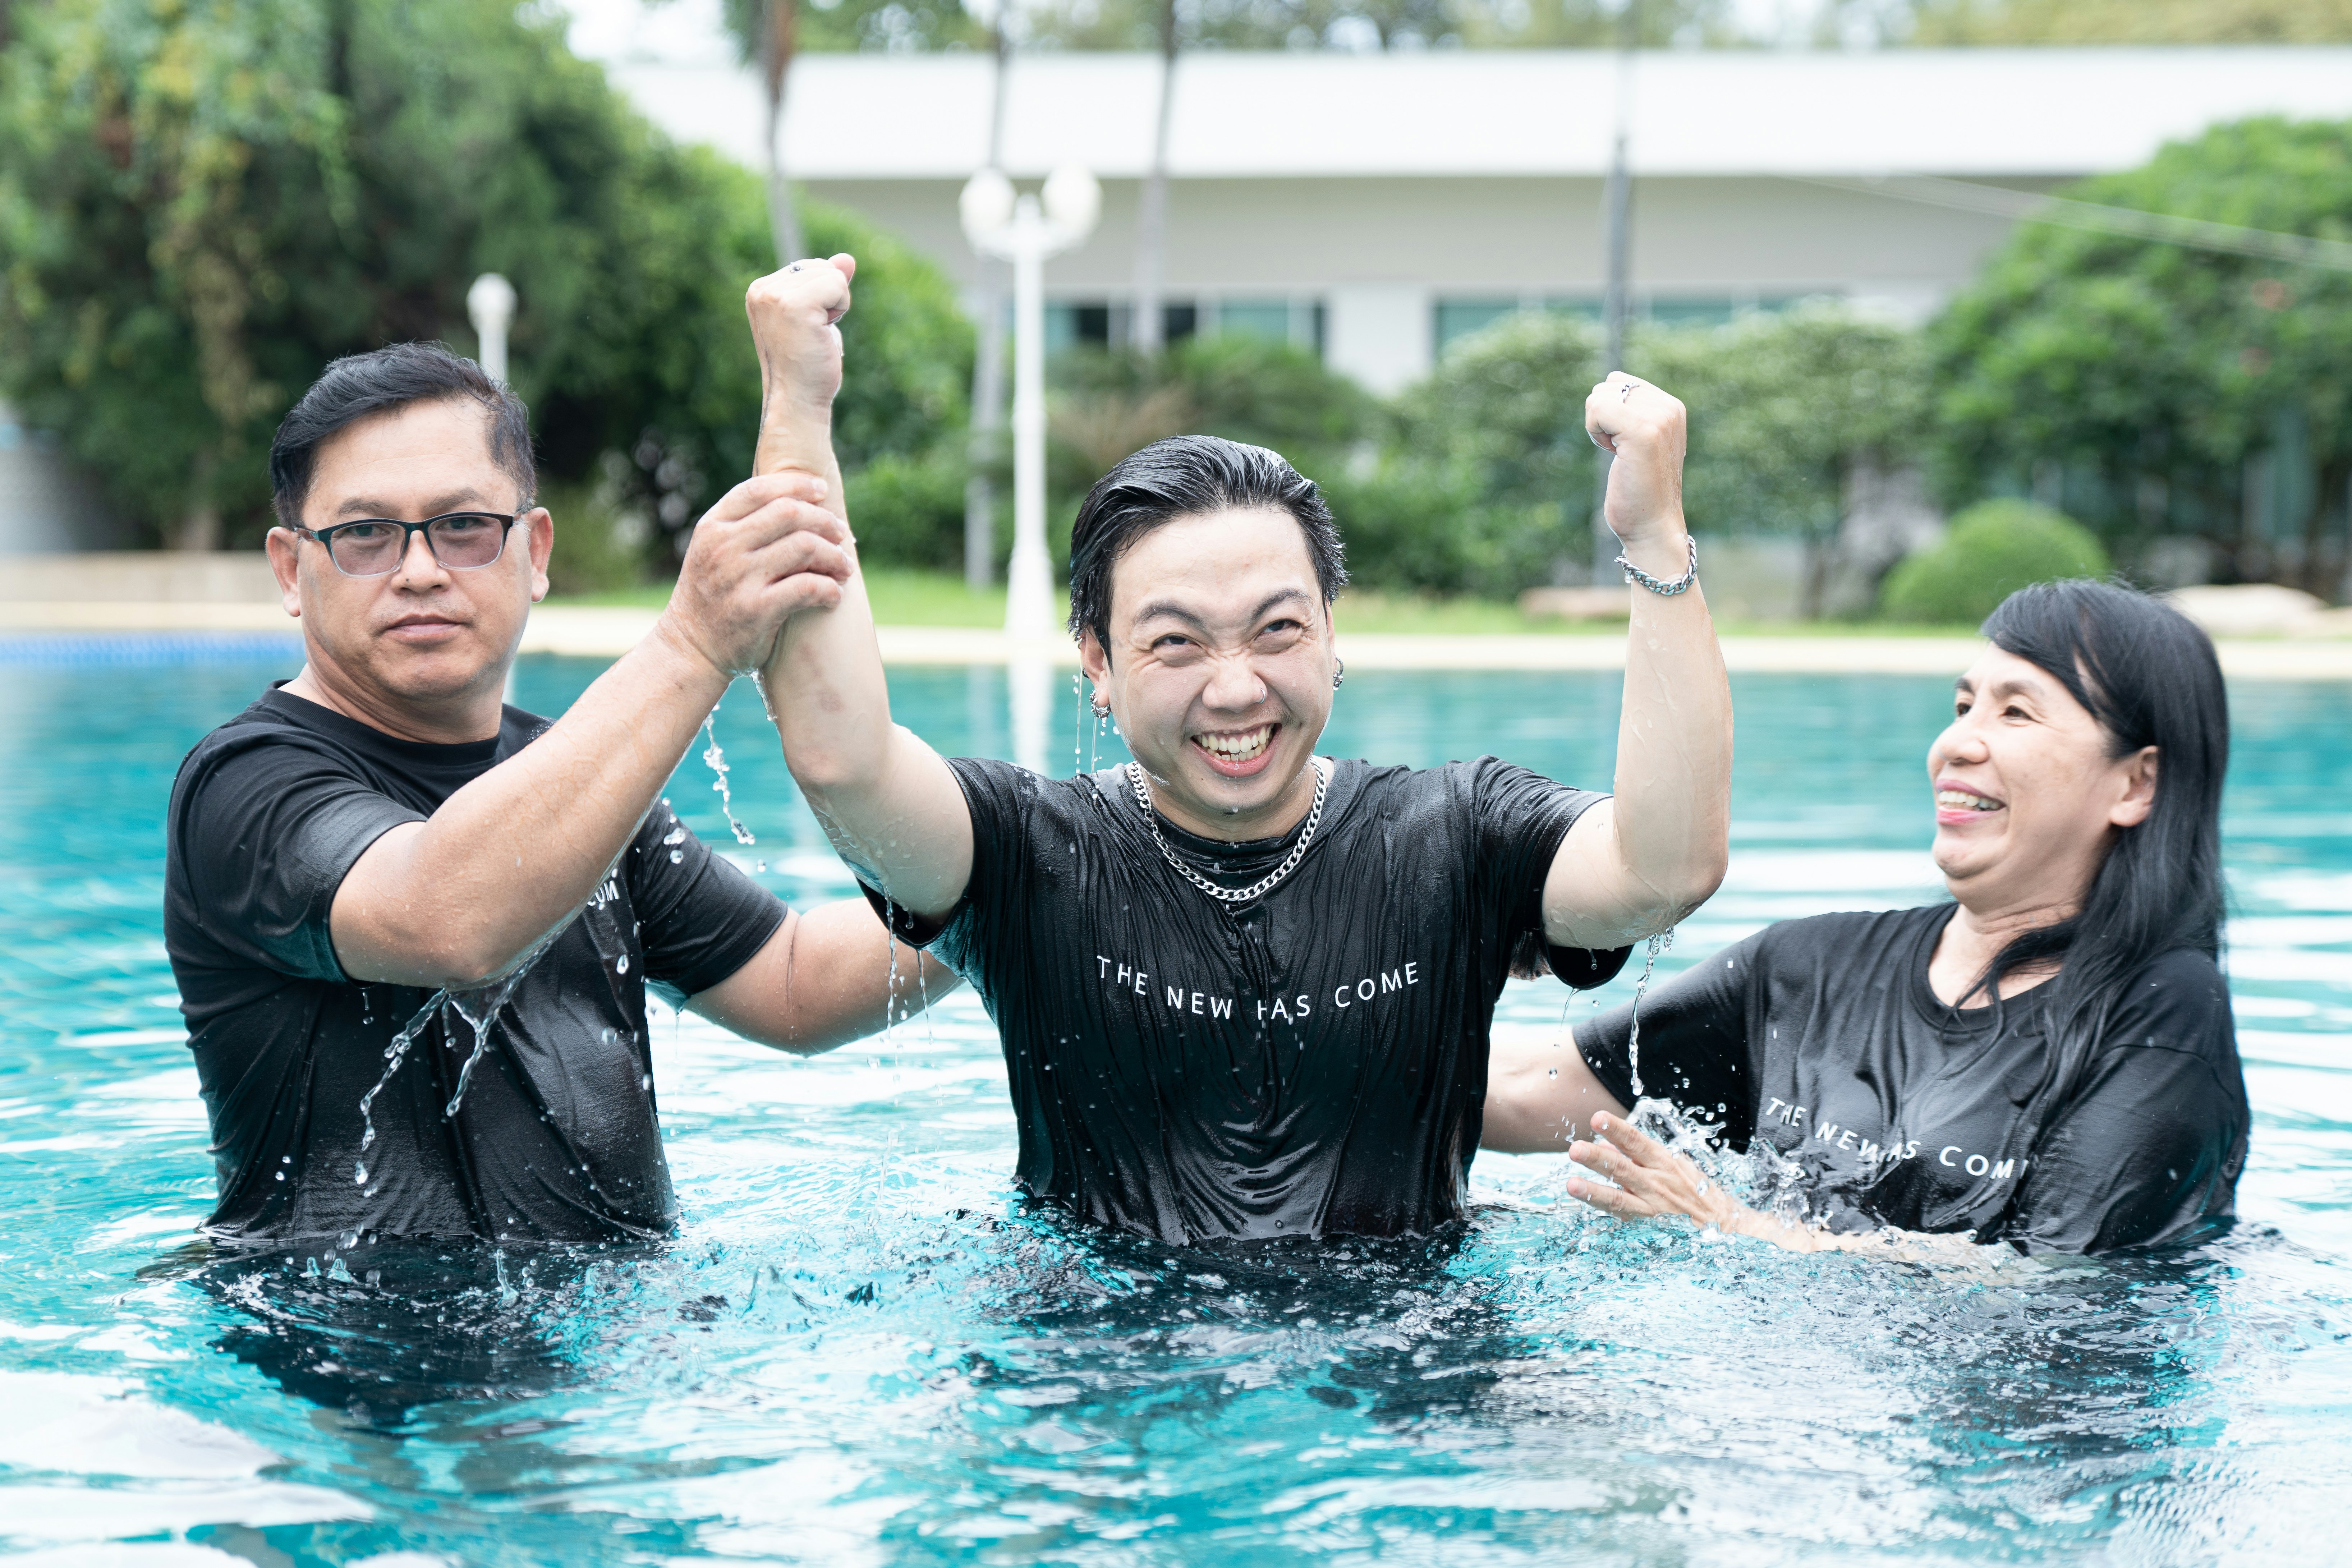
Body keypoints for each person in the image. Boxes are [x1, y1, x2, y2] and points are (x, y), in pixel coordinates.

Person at [739, 256, 1732, 1245]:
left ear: (1332, 632)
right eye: (1175, 641)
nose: (1235, 687)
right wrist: (797, 411)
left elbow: (1666, 867)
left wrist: (1654, 536)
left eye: (1277, 631)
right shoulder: (1022, 853)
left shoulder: (1458, 834)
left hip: (1405, 1381)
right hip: (1100, 1377)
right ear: (1098, 661)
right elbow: (842, 760)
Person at [165, 343, 950, 1249]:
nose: (419, 569)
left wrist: (1017, 863)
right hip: (358, 1360)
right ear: (290, 570)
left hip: (610, 1358)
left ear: (533, 550)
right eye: (366, 534)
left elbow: (794, 982)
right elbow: (448, 918)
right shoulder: (244, 784)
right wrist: (695, 644)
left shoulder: (574, 777)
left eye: (462, 526)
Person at [1487, 580, 2248, 1257]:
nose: (1954, 744)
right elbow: (1525, 1086)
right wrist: (1374, 1003)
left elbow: (2055, 1283)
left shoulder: (2163, 1011)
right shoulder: (1809, 970)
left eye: (2015, 713)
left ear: (2135, 784)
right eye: (1960, 707)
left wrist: (1733, 1227)